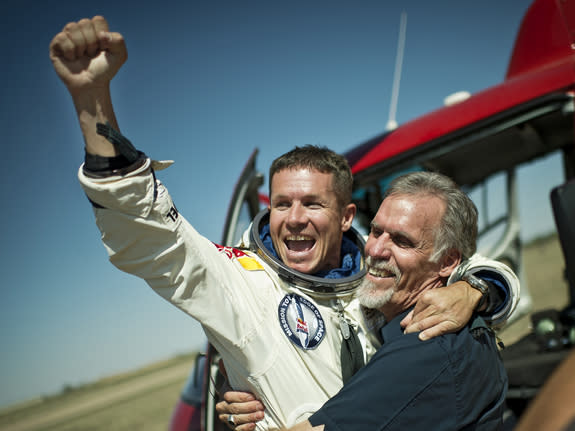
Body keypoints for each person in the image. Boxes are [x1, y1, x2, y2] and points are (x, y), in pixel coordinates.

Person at [49, 16, 519, 430]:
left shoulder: (376, 276)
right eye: (281, 204)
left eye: (313, 204)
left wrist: (476, 291)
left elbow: (467, 263)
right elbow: (150, 235)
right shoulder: (239, 283)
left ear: (347, 216)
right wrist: (93, 102)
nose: (293, 220)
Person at [286, 171, 508, 431]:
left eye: (402, 242)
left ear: (447, 262)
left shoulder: (426, 346)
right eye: (375, 231)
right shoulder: (402, 326)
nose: (375, 250)